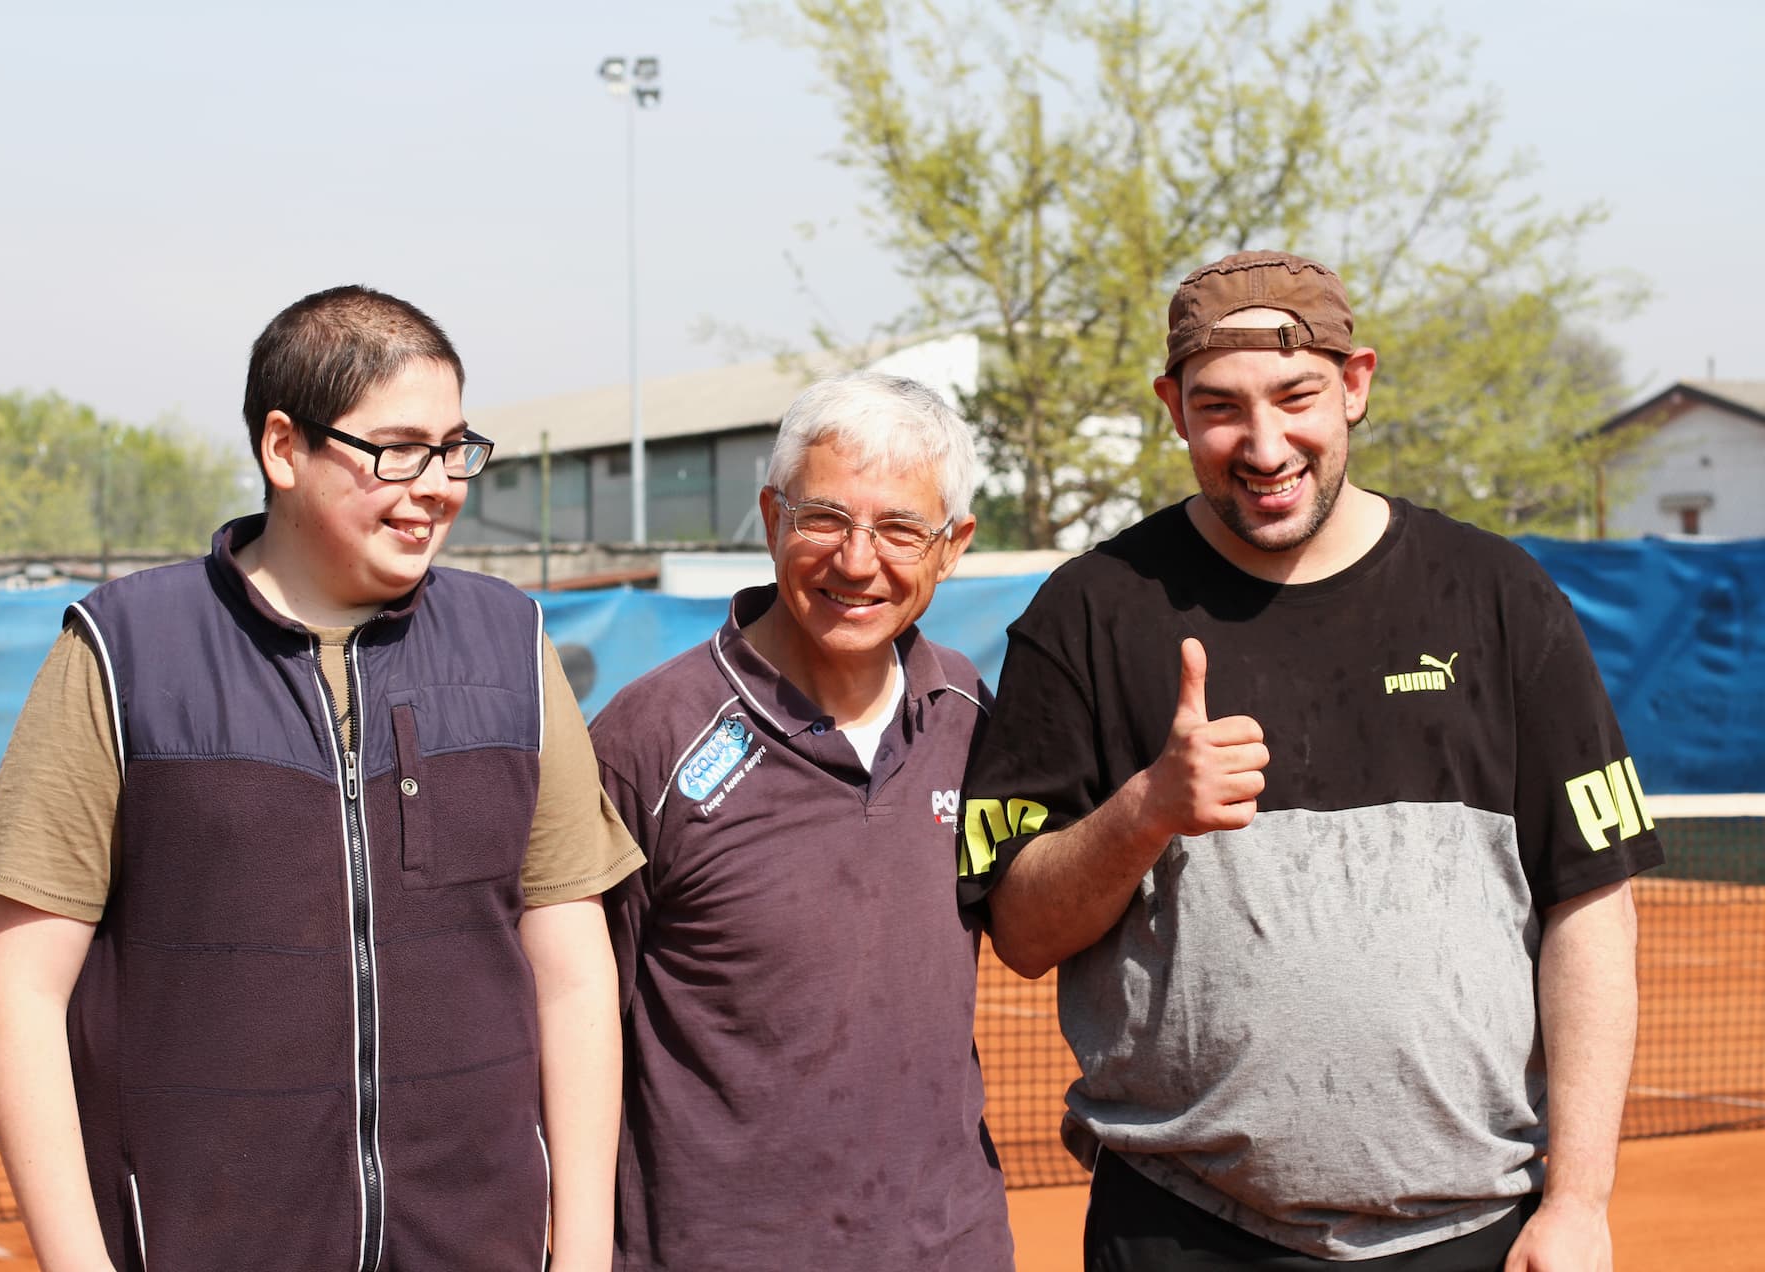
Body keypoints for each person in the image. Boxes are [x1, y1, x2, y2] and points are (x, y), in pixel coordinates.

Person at [960, 251, 1662, 1270]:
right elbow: (1021, 932)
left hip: (1474, 1232)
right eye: (1220, 408)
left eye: (1296, 397)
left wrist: (1581, 1201)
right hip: (1179, 1230)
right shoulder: (1090, 614)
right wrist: (1147, 808)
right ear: (1172, 408)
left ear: (1356, 383)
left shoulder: (1503, 599)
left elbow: (1592, 905)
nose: (1264, 444)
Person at [0, 285, 642, 1272]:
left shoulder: (514, 643)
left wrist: (580, 1254)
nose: (440, 484)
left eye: (456, 448)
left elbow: (574, 971)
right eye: (399, 449)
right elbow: (16, 983)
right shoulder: (122, 649)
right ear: (284, 448)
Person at [590, 371, 1015, 1270]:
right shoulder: (647, 739)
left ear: (953, 546)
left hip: (951, 1249)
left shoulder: (971, 717)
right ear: (773, 517)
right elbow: (574, 1026)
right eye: (824, 518)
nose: (858, 562)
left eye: (902, 528)